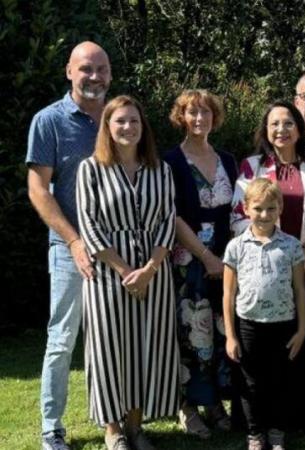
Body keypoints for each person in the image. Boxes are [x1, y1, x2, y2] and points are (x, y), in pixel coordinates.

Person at [76, 95, 179, 450]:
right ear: (107, 126)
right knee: (109, 348)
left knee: (148, 346)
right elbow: (89, 225)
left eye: (134, 121)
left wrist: (149, 269)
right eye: (120, 121)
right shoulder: (90, 169)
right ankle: (113, 429)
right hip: (107, 274)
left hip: (154, 271)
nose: (128, 127)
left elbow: (168, 221)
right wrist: (124, 270)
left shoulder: (159, 170)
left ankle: (137, 426)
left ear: (143, 127)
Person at [26, 41, 110, 450]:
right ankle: (51, 427)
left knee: (112, 337)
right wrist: (74, 240)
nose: (94, 77)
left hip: (116, 247)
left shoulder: (119, 117)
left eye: (101, 69)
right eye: (85, 69)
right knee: (62, 340)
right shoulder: (49, 121)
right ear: (68, 72)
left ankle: (115, 423)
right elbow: (39, 190)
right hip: (68, 248)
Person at [163, 89, 239, 438]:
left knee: (222, 330)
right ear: (181, 116)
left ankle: (215, 404)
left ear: (214, 117)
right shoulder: (171, 161)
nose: (199, 119)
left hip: (227, 258)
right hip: (188, 259)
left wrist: (225, 257)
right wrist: (205, 255)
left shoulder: (228, 159)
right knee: (191, 334)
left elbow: (237, 211)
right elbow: (173, 216)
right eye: (192, 112)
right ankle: (187, 407)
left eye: (205, 112)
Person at [223, 178, 305, 450]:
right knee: (252, 384)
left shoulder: (291, 245)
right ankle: (255, 434)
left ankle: (276, 432)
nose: (264, 215)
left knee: (280, 382)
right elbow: (228, 294)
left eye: (271, 209)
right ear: (246, 208)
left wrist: (302, 329)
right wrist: (230, 336)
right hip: (249, 326)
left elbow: (299, 290)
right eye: (258, 208)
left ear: (280, 208)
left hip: (284, 326)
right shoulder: (236, 246)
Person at [232, 100, 305, 240]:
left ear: (299, 130)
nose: (281, 130)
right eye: (275, 124)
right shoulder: (252, 167)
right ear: (266, 130)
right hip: (266, 253)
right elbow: (238, 217)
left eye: (288, 123)